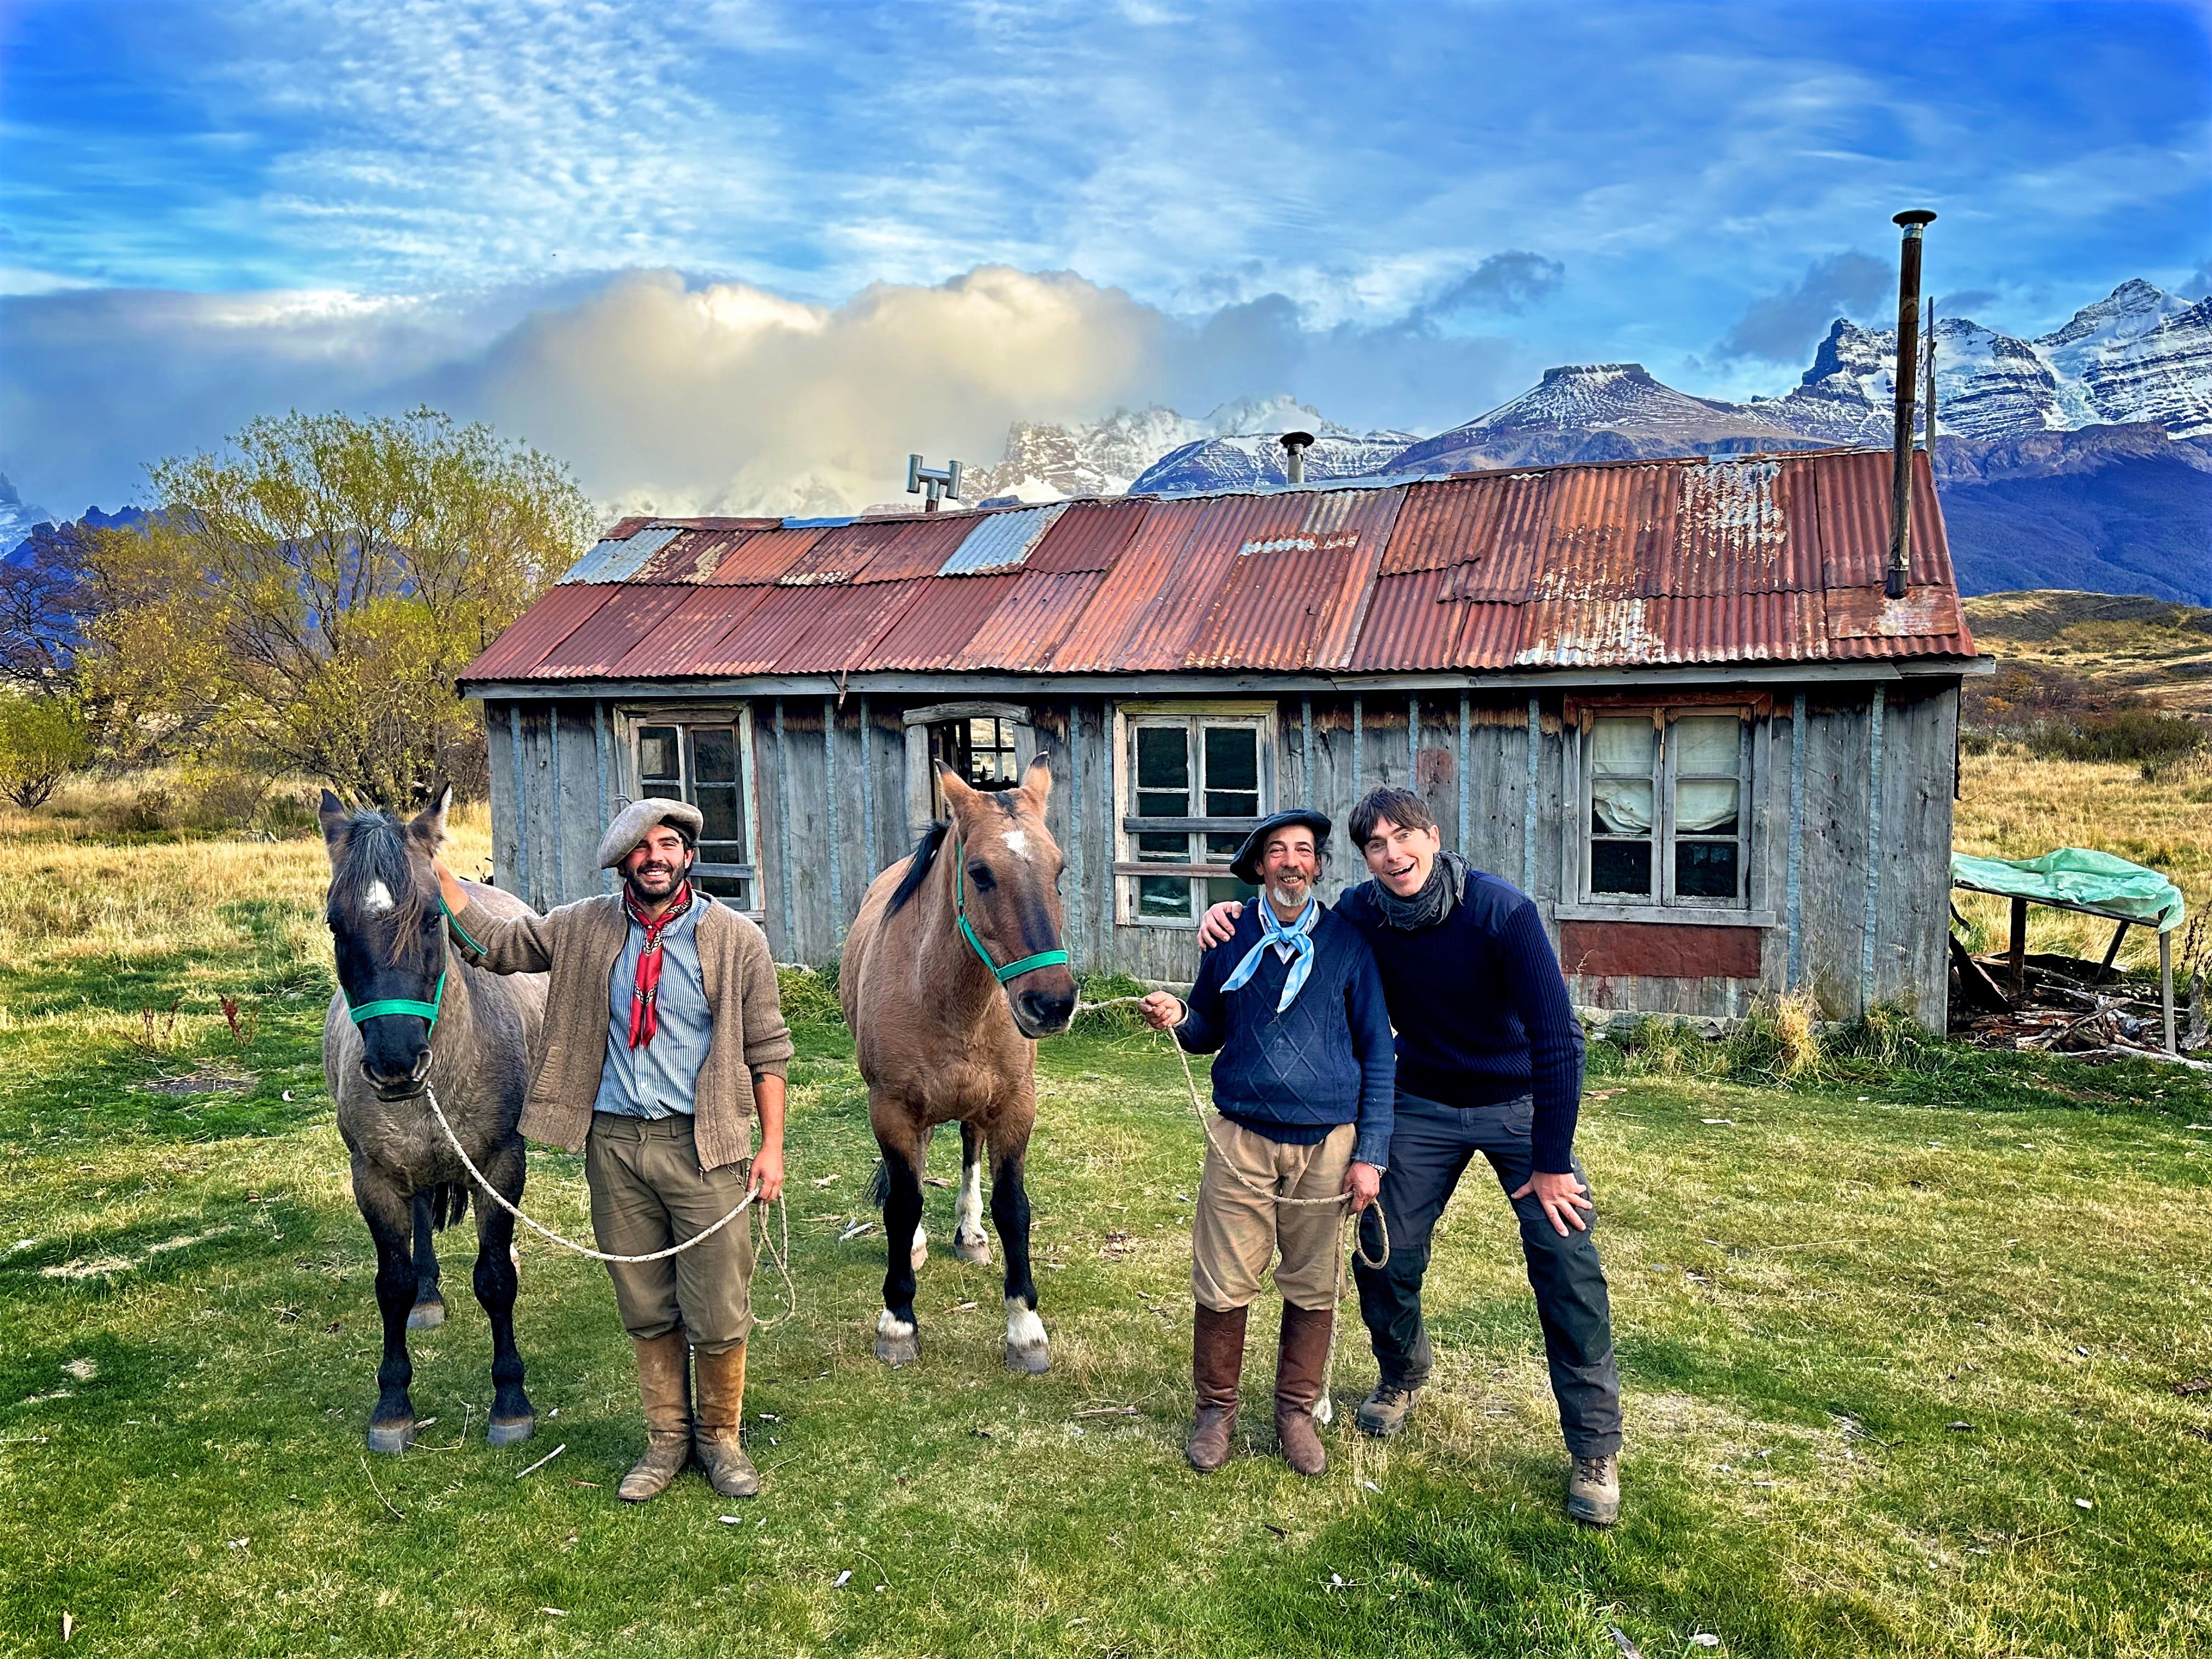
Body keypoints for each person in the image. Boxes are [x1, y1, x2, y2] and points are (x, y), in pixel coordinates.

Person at [1197, 786, 1621, 1524]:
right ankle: (1401, 1376)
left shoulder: (1501, 913)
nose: (1394, 855)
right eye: (1377, 846)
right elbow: (1297, 916)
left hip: (1516, 1103)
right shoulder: (1364, 915)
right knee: (1380, 1251)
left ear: (1432, 835)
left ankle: (1594, 1447)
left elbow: (1559, 1037)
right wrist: (1223, 913)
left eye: (1404, 837)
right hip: (1423, 1098)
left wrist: (1552, 1160)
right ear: (1364, 860)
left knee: (1567, 1259)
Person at [432, 799, 793, 1503]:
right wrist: (436, 872)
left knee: (718, 1305)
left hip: (707, 1144)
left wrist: (771, 1147)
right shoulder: (582, 928)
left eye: (668, 845)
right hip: (616, 1145)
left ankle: (721, 1441)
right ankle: (664, 1442)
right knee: (644, 1301)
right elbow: (498, 944)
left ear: (688, 855)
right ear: (622, 861)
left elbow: (769, 1048)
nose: (654, 857)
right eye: (640, 848)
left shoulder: (734, 939)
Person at [1139, 809, 1393, 1477]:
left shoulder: (1348, 945)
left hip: (1329, 1148)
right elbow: (1206, 1030)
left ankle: (1294, 1415)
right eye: (1276, 852)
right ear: (1259, 868)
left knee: (1313, 1286)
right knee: (1223, 1281)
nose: (1290, 863)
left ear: (1317, 867)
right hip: (1241, 1141)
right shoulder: (1227, 936)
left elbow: (1379, 1053)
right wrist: (1177, 1015)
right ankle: (1215, 1413)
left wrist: (1371, 1155)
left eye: (1303, 852)